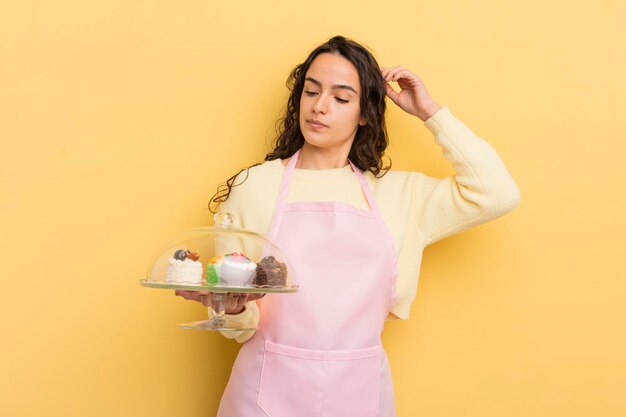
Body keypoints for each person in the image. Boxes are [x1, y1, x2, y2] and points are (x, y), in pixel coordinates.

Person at [175, 35, 520, 417]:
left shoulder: (399, 196)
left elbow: (497, 192)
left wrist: (430, 113)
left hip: (360, 397)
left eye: (340, 98)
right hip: (264, 397)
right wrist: (234, 310)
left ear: (365, 113)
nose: (319, 107)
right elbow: (238, 327)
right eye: (311, 92)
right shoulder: (255, 187)